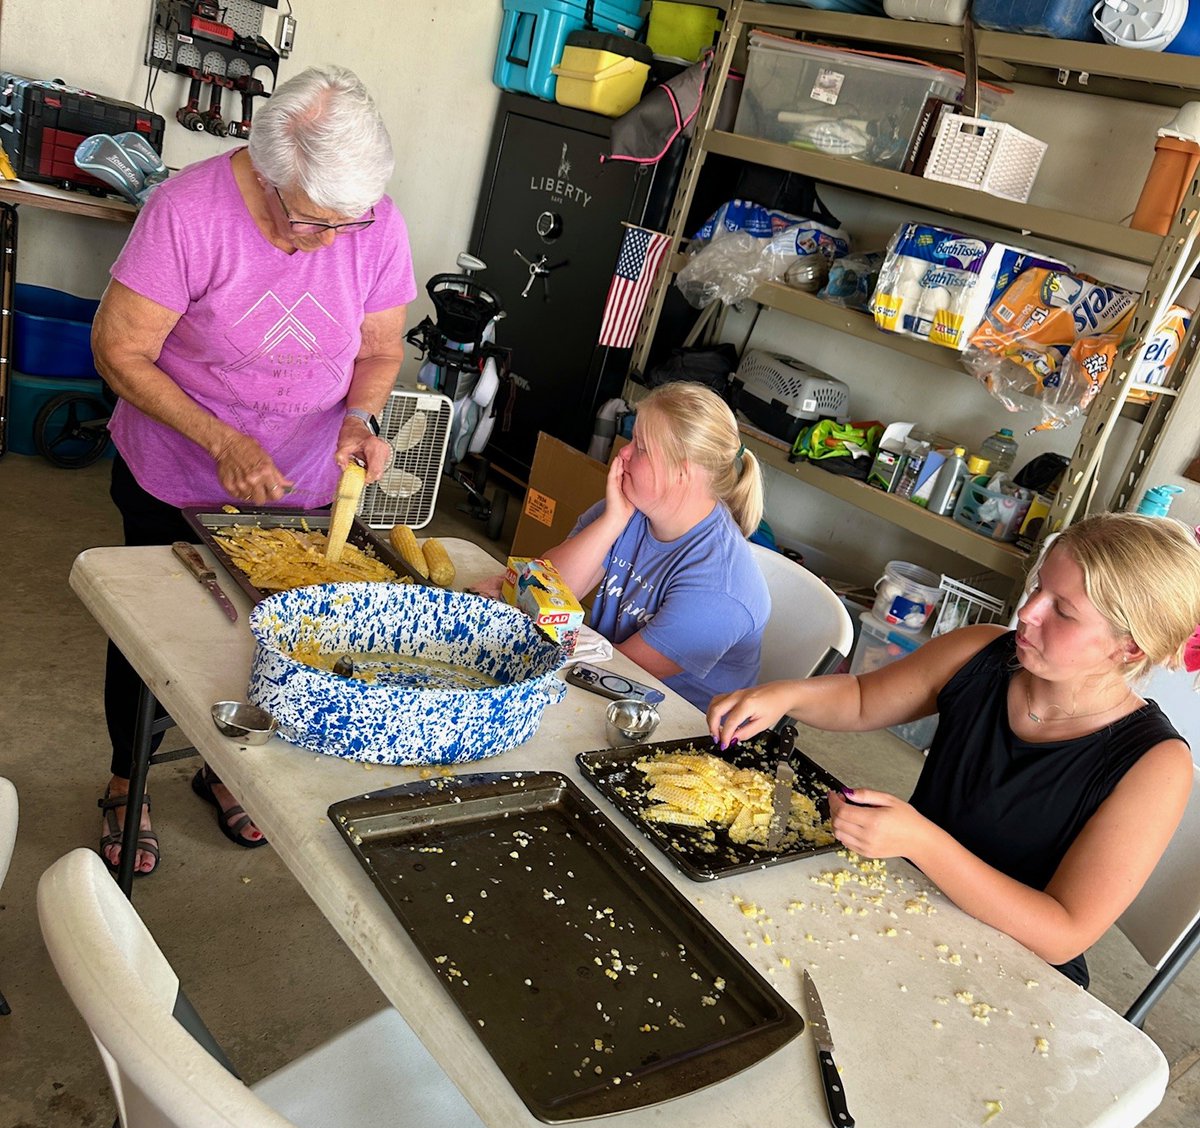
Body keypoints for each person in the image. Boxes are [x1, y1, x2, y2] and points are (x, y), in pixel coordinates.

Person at [91, 65, 416, 876]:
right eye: (313, 224)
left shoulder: (370, 223)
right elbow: (119, 350)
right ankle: (128, 780)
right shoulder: (186, 214)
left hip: (301, 486)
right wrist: (221, 441)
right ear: (266, 175)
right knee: (156, 639)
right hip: (176, 469)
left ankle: (221, 765)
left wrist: (360, 416)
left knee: (266, 635)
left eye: (349, 225)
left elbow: (379, 348)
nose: (330, 242)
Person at [708, 514, 1200, 987]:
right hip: (903, 898)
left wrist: (921, 842)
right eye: (1038, 589)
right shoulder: (981, 653)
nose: (1027, 613)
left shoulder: (1154, 765)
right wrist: (787, 694)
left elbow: (1063, 933)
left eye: (1063, 610)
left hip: (1016, 968)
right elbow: (861, 699)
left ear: (1130, 649)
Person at [480, 382, 770, 710]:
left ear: (682, 474)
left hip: (668, 724)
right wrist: (612, 521)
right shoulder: (635, 507)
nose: (624, 453)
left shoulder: (722, 587)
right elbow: (546, 591)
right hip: (609, 691)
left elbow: (620, 671)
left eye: (641, 447)